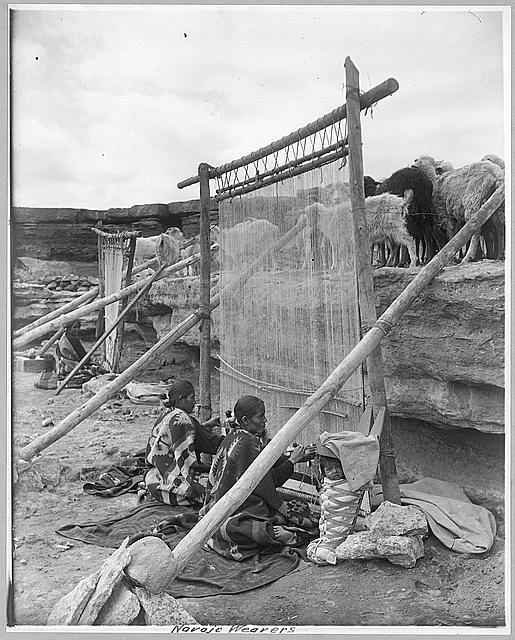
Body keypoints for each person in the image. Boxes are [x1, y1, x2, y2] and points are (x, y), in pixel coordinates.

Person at [200, 395, 319, 561]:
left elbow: (266, 463)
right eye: (260, 416)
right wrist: (293, 461)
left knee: (297, 507)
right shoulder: (249, 442)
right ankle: (276, 534)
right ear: (245, 420)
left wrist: (296, 457)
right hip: (239, 507)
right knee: (302, 514)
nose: (265, 420)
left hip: (218, 504)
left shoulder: (233, 435)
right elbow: (270, 481)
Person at [144, 380, 223, 506]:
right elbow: (213, 445)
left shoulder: (168, 413)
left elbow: (185, 436)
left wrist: (206, 425)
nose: (194, 402)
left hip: (153, 479)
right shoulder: (183, 419)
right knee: (218, 489)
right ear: (181, 399)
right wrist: (235, 434)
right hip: (170, 485)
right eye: (192, 398)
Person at [306, 431, 380, 566]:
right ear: (324, 472)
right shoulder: (327, 482)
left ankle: (331, 548)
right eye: (329, 469)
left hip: (340, 524)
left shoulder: (350, 484)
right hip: (329, 526)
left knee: (333, 536)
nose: (334, 472)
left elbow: (364, 481)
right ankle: (329, 545)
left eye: (337, 468)